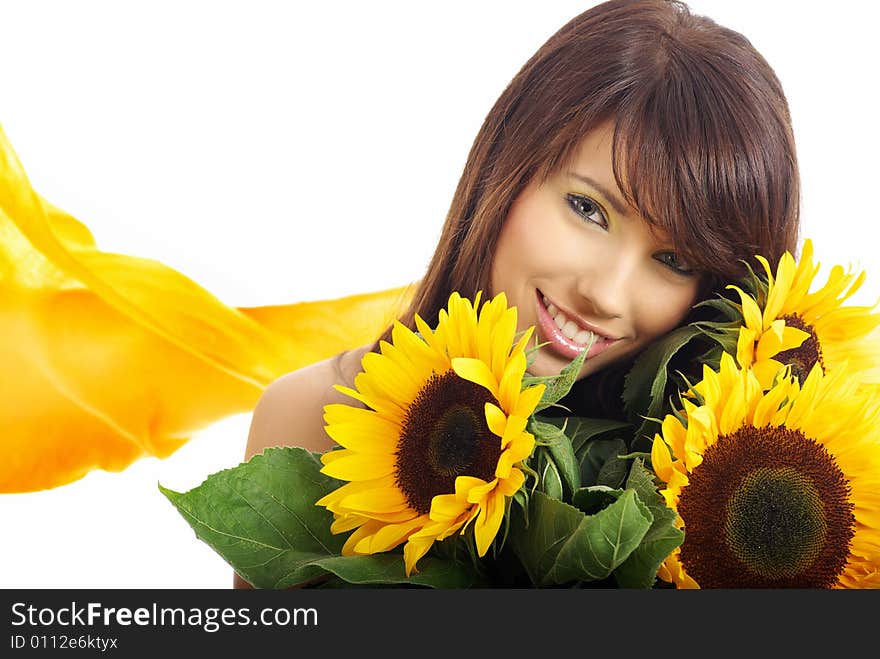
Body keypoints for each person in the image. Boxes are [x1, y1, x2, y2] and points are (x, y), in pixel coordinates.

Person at [235, 0, 800, 587]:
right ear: (507, 168)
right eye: (588, 209)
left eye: (674, 260)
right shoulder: (311, 420)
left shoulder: (714, 518)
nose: (604, 294)